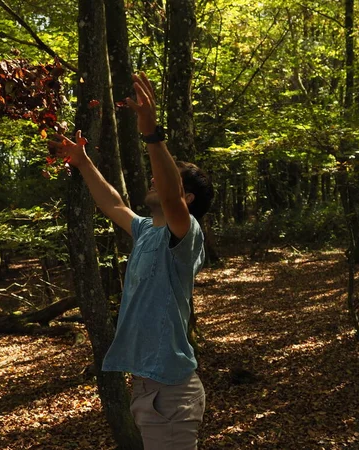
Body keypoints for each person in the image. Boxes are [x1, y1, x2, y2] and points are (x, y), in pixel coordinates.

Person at [48, 72, 213, 450]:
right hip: (149, 386)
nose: (154, 183)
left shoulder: (185, 236)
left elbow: (170, 197)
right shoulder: (146, 231)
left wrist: (152, 134)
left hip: (170, 391)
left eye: (168, 182)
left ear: (186, 199)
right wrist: (82, 161)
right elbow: (113, 204)